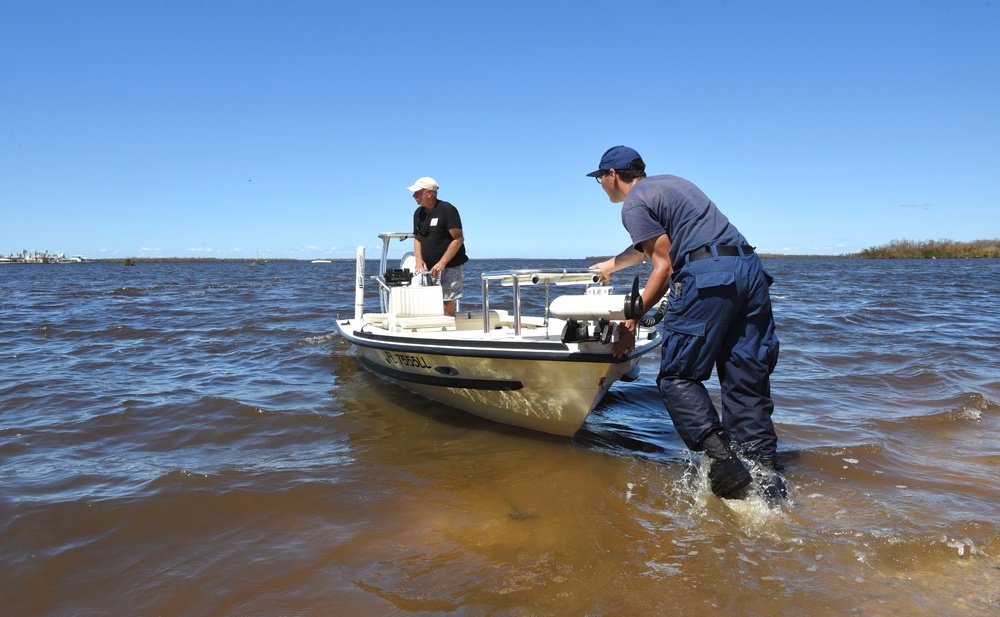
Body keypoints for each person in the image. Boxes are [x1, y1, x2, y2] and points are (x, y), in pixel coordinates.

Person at [587, 146, 785, 502]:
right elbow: (654, 246)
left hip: (709, 276)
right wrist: (610, 266)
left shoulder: (633, 204)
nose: (600, 185)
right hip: (749, 271)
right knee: (745, 375)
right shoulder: (671, 184)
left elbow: (663, 265)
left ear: (612, 175)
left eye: (599, 178)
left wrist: (631, 321)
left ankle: (726, 464)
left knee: (678, 378)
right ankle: (766, 478)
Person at [407, 176, 468, 317]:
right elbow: (417, 238)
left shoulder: (448, 210)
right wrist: (418, 260)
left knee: (447, 302)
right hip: (428, 267)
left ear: (428, 193)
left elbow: (458, 239)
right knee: (429, 301)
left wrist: (442, 263)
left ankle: (449, 334)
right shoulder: (418, 213)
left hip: (450, 265)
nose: (413, 196)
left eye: (417, 192)